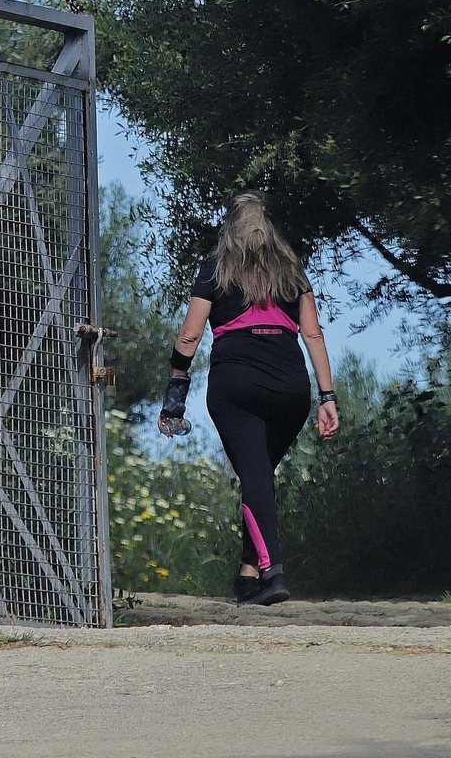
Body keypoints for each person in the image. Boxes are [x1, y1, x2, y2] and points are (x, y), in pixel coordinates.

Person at [158, 191, 338, 606]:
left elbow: (190, 334)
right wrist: (327, 396)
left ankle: (273, 574)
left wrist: (175, 388)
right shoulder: (292, 271)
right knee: (258, 476)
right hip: (291, 388)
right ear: (270, 225)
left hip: (235, 386)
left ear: (229, 225)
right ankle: (247, 576)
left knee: (255, 476)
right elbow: (313, 334)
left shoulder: (215, 268)